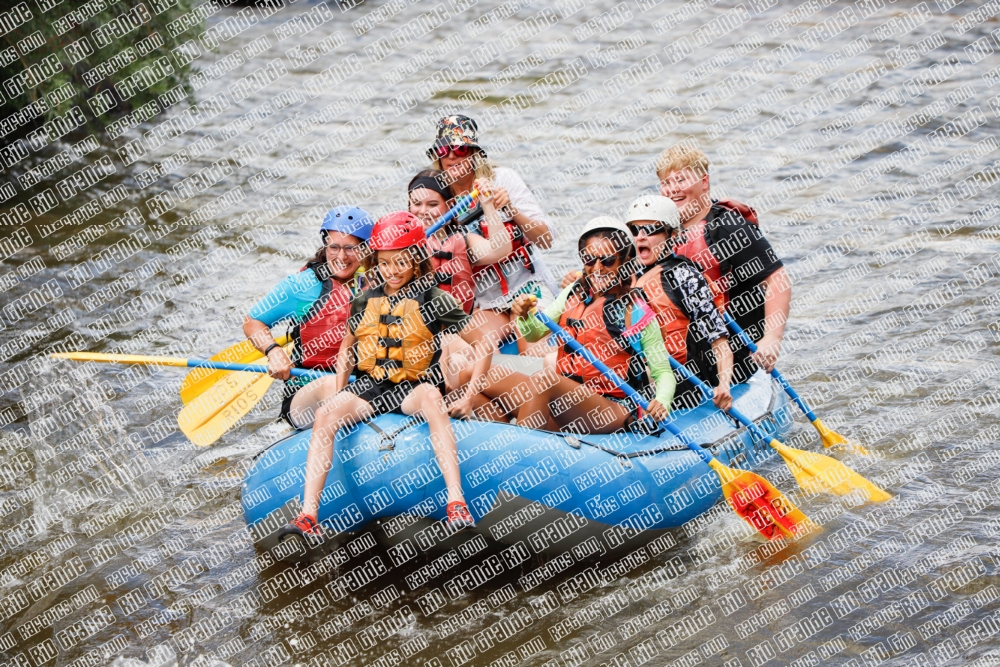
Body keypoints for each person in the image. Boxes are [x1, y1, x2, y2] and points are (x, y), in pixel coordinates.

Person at [279, 212, 493, 543]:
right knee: (324, 414)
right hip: (373, 386)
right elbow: (347, 351)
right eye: (384, 262)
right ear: (375, 262)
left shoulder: (435, 299)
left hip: (414, 388)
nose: (392, 270)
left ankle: (456, 503)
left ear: (417, 261)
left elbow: (484, 344)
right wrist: (338, 392)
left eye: (400, 262)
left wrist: (468, 395)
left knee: (433, 398)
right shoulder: (364, 299)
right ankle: (309, 516)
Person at [510, 217, 674, 434]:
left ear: (624, 262)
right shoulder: (573, 294)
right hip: (569, 400)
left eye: (607, 261)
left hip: (614, 408)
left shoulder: (637, 310)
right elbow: (534, 334)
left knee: (543, 380)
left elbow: (663, 372)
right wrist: (524, 316)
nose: (597, 268)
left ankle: (525, 457)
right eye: (589, 260)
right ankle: (505, 457)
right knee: (476, 377)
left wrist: (662, 401)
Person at [657, 144, 791, 379]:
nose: (672, 190)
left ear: (704, 182)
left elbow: (777, 280)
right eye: (666, 183)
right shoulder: (663, 234)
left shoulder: (728, 226)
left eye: (680, 180)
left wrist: (772, 338)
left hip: (735, 355)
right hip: (687, 356)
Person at [428, 114, 557, 353]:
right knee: (475, 353)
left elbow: (547, 240)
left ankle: (541, 381)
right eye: (444, 149)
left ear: (474, 152)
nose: (452, 155)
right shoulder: (437, 198)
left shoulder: (503, 179)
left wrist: (511, 210)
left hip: (530, 289)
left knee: (532, 346)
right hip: (486, 303)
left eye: (460, 148)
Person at [243, 206, 373, 429]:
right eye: (334, 247)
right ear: (325, 245)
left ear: (366, 249)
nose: (341, 256)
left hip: (364, 386)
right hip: (308, 395)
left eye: (350, 248)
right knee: (331, 385)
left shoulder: (382, 280)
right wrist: (273, 352)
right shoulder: (302, 286)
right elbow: (252, 322)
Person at [407, 169, 512, 397]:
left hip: (459, 328)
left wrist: (488, 205)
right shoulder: (401, 243)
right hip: (419, 332)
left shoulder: (463, 241)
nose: (423, 211)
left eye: (432, 204)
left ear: (449, 205)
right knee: (454, 354)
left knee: (468, 351)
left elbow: (501, 249)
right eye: (416, 204)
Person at [625, 195, 734, 411]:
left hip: (682, 382)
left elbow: (719, 340)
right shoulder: (627, 276)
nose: (640, 237)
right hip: (639, 375)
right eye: (635, 231)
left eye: (651, 229)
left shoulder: (684, 276)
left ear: (672, 235)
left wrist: (724, 384)